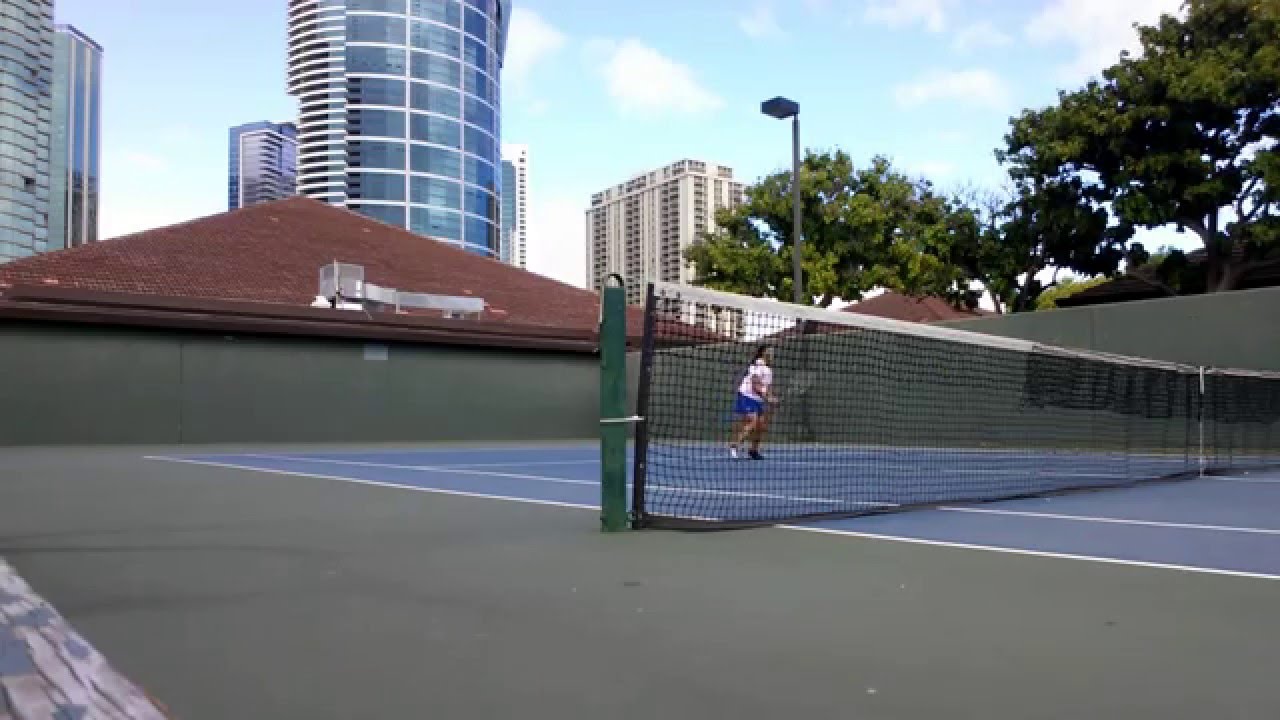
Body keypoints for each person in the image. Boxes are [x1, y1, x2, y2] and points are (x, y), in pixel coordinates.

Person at [730, 345, 776, 460]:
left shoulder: (769, 370)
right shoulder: (757, 365)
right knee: (753, 422)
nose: (772, 354)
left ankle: (753, 451)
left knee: (761, 426)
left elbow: (767, 387)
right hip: (747, 396)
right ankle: (735, 445)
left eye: (772, 352)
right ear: (763, 353)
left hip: (757, 399)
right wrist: (767, 398)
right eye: (769, 351)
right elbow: (755, 385)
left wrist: (772, 398)